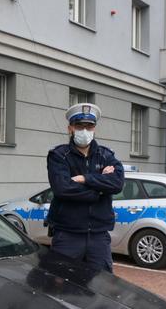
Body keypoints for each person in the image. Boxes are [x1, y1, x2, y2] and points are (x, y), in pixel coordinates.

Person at [46, 103, 124, 272]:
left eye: (89, 126)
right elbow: (62, 188)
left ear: (94, 129)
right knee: (60, 285)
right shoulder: (59, 155)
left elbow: (117, 184)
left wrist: (84, 178)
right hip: (67, 235)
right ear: (70, 129)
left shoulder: (106, 155)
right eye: (79, 126)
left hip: (99, 236)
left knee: (102, 286)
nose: (84, 130)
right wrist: (100, 188)